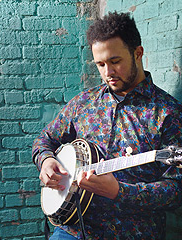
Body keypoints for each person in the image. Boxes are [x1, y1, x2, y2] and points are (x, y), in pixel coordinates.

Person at [32, 12, 182, 239]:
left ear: (138, 53)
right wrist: (46, 160)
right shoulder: (83, 102)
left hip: (132, 232)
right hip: (71, 229)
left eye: (115, 61)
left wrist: (119, 192)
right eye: (100, 64)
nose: (107, 73)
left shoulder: (168, 113)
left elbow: (176, 191)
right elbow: (45, 139)